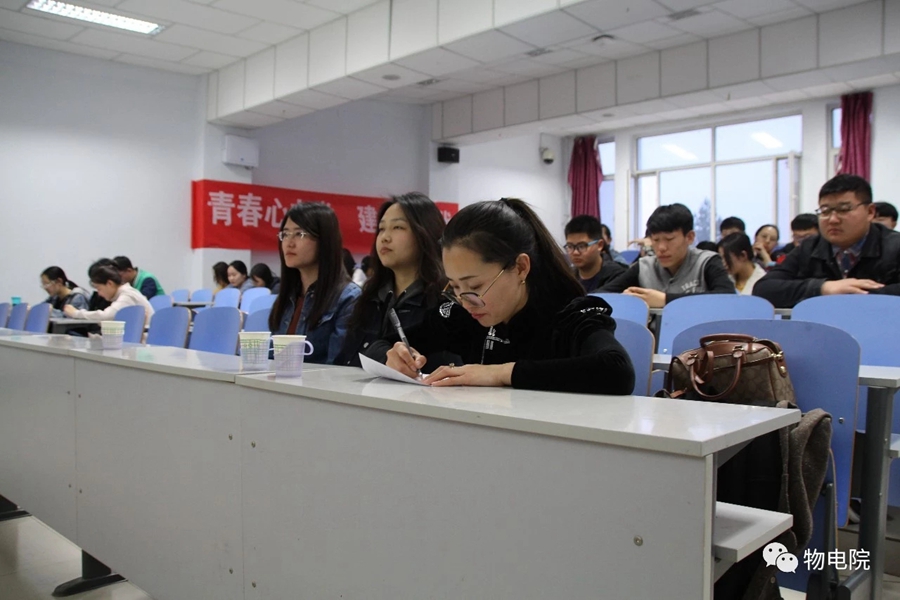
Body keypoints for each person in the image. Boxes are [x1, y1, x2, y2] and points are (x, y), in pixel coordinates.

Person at [385, 198, 635, 395]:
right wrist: (398, 355)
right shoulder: (463, 315)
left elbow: (617, 371)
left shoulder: (569, 314)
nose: (464, 300)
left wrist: (498, 373)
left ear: (521, 268)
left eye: (475, 285)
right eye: (455, 286)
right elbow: (383, 344)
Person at [754, 174, 900, 308]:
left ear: (870, 212)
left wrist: (850, 293)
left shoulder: (894, 246)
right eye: (825, 211)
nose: (833, 219)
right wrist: (824, 288)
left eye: (844, 209)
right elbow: (764, 289)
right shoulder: (810, 247)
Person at [336, 193, 447, 368]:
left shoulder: (443, 301)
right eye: (381, 229)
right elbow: (345, 360)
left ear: (425, 232)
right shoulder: (370, 298)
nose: (385, 237)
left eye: (398, 227)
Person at [269, 203, 362, 364]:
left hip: (319, 380)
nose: (289, 243)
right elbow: (273, 359)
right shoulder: (288, 296)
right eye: (285, 234)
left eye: (299, 234)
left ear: (324, 241)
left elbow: (337, 367)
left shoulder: (348, 298)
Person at [599, 203, 736, 307]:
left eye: (669, 239)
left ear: (689, 237)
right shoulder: (645, 266)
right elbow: (600, 295)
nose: (661, 248)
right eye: (655, 240)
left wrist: (665, 300)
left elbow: (727, 296)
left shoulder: (706, 261)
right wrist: (623, 299)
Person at [63, 262, 154, 328]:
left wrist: (76, 313)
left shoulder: (127, 295)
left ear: (109, 283)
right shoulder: (123, 294)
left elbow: (106, 316)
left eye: (99, 288)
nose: (99, 293)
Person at [564, 215, 626, 293]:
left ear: (600, 245)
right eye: (570, 246)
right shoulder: (567, 277)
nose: (575, 252)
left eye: (582, 246)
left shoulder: (617, 277)